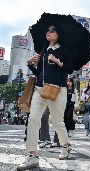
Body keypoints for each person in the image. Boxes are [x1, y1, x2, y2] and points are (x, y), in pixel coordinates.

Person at [17, 24, 73, 170]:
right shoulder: (43, 51)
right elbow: (39, 74)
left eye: (52, 30)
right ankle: (32, 155)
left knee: (56, 122)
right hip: (40, 89)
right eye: (47, 30)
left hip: (57, 89)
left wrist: (57, 61)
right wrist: (30, 64)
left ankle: (65, 146)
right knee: (33, 118)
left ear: (58, 33)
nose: (48, 32)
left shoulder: (64, 50)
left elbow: (69, 69)